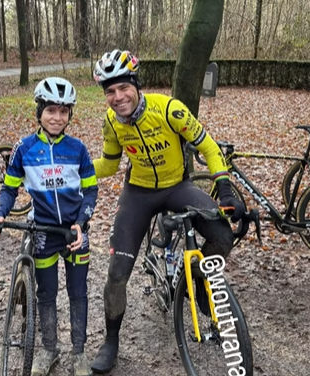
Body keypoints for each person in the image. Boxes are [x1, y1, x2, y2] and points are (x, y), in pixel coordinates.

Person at [90, 49, 245, 373]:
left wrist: (225, 187)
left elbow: (208, 146)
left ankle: (197, 280)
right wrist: (72, 172)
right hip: (138, 194)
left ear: (136, 84)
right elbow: (108, 164)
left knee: (222, 235)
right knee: (117, 275)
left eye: (123, 88)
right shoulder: (111, 122)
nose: (118, 97)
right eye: (110, 92)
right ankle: (111, 341)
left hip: (178, 187)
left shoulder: (170, 110)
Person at [0, 77, 98, 376]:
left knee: (78, 292)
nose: (57, 118)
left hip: (73, 232)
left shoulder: (78, 149)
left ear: (70, 115)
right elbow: (9, 190)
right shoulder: (24, 148)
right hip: (44, 232)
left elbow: (91, 191)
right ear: (39, 112)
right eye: (51, 110)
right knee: (46, 294)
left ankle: (79, 353)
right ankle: (49, 350)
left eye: (63, 112)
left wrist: (81, 222)